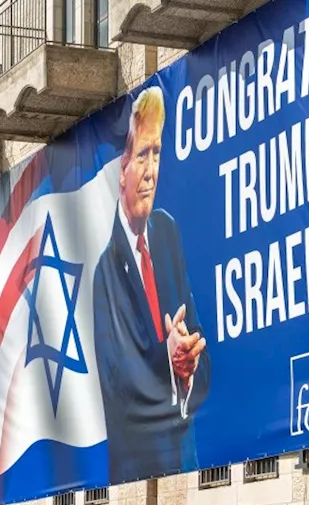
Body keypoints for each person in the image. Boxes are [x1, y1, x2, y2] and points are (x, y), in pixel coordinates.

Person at [92, 85, 211, 482]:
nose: (151, 171)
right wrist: (168, 357)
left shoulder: (167, 233)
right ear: (121, 170)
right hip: (138, 473)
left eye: (157, 153)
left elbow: (203, 357)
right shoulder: (104, 272)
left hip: (188, 463)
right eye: (142, 155)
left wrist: (189, 362)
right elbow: (118, 386)